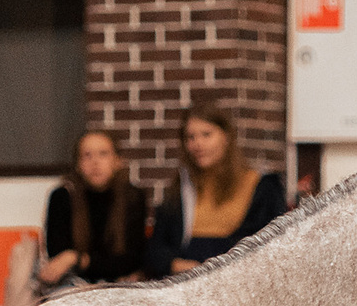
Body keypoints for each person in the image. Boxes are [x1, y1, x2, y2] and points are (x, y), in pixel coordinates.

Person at [143, 101, 286, 276]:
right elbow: (156, 249)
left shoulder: (261, 186)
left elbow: (273, 249)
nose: (198, 144)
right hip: (186, 285)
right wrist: (174, 264)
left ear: (226, 137)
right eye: (190, 137)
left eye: (206, 134)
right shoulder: (181, 188)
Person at [40, 130, 147, 287]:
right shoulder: (62, 197)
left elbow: (131, 260)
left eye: (103, 154)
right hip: (73, 286)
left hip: (118, 287)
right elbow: (57, 257)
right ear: (77, 164)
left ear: (117, 161)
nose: (95, 162)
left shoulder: (133, 197)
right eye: (87, 155)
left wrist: (76, 258)